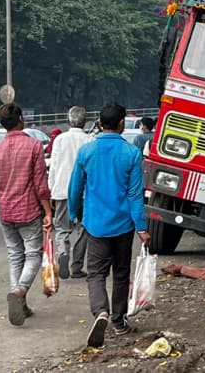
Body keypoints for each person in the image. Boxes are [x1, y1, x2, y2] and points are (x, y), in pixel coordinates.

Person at [68, 102, 151, 347]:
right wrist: (142, 228)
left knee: (95, 274)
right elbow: (135, 195)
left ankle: (100, 312)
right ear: (122, 124)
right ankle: (118, 321)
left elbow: (76, 188)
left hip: (96, 224)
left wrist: (75, 213)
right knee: (121, 273)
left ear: (100, 123)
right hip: (124, 225)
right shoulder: (131, 154)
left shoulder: (87, 152)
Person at [0, 103, 53, 326]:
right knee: (33, 255)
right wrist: (48, 212)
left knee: (14, 255)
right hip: (28, 211)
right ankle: (19, 292)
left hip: (6, 212)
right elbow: (40, 184)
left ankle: (20, 301)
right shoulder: (34, 146)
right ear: (21, 118)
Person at [48, 106, 91, 280]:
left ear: (68, 121)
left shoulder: (59, 139)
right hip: (83, 192)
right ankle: (77, 266)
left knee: (61, 228)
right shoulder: (90, 140)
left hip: (62, 189)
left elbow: (54, 166)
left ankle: (63, 252)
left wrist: (52, 190)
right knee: (83, 228)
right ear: (85, 121)